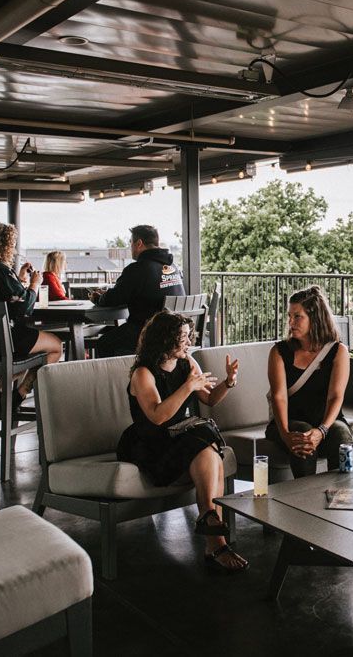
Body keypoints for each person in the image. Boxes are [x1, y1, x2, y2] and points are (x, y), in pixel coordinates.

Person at [116, 312, 247, 572]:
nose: (188, 342)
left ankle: (213, 534)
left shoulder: (187, 363)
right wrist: (188, 387)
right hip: (149, 444)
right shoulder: (143, 373)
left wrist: (229, 382)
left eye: (188, 336)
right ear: (165, 340)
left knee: (209, 448)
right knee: (206, 440)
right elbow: (156, 417)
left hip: (178, 436)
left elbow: (209, 399)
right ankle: (214, 538)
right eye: (183, 337)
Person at [0, 222, 63, 408]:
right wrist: (34, 284)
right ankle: (20, 392)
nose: (13, 249)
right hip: (2, 343)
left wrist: (19, 279)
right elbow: (23, 309)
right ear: (3, 245)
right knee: (55, 346)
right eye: (12, 244)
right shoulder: (0, 270)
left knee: (28, 350)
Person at [266, 286, 353, 478]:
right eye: (289, 316)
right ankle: (304, 501)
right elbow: (278, 397)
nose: (290, 322)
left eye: (297, 317)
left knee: (340, 432)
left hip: (326, 423)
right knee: (302, 434)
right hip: (288, 424)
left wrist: (322, 430)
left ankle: (344, 494)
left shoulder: (338, 352)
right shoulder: (279, 352)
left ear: (315, 318)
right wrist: (285, 434)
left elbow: (336, 396)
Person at [90, 225, 185, 358]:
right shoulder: (173, 267)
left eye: (131, 244)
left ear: (139, 243)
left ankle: (121, 378)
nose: (131, 248)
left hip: (148, 334)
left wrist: (98, 298)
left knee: (104, 343)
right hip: (175, 333)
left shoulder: (138, 269)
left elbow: (113, 298)